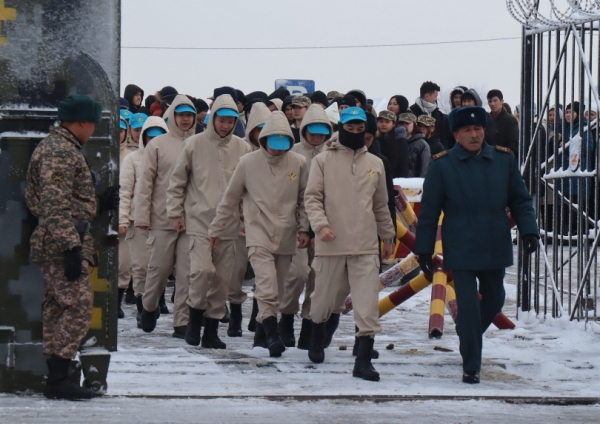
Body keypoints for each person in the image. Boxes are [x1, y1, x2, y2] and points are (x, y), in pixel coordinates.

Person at [414, 106, 539, 384]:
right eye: (467, 130)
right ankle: (471, 365)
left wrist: (530, 231)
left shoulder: (503, 160)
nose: (474, 135)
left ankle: (466, 336)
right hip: (461, 245)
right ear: (456, 135)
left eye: (478, 129)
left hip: (495, 241)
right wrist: (423, 248)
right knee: (469, 307)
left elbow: (520, 199)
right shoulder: (442, 164)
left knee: (495, 299)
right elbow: (430, 211)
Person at [25, 95, 119, 400]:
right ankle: (58, 379)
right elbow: (54, 205)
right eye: (92, 124)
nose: (92, 131)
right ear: (82, 122)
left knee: (57, 309)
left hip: (56, 240)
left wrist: (97, 203)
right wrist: (70, 248)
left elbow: (65, 201)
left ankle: (57, 380)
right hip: (61, 242)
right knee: (78, 309)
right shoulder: (61, 152)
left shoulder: (61, 148)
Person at [305, 107, 396, 382]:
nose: (355, 133)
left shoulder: (375, 163)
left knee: (367, 303)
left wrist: (388, 235)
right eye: (350, 128)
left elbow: (381, 204)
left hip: (366, 246)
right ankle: (317, 336)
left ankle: (364, 359)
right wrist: (321, 225)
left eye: (360, 129)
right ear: (341, 128)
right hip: (331, 244)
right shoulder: (323, 161)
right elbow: (312, 198)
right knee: (322, 301)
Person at [208, 111, 310, 357]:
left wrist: (305, 227)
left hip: (287, 235)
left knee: (282, 288)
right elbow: (230, 199)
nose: (277, 150)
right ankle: (272, 334)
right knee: (266, 285)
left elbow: (304, 199)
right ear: (263, 139)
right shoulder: (248, 163)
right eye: (273, 143)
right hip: (257, 233)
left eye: (282, 144)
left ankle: (263, 334)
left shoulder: (298, 163)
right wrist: (216, 228)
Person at [167, 93, 250, 349]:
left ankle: (212, 330)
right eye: (221, 120)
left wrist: (247, 218)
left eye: (230, 121)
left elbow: (249, 189)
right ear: (213, 118)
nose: (225, 125)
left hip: (229, 225)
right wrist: (175, 213)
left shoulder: (243, 148)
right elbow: (177, 181)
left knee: (222, 279)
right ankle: (193, 320)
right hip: (199, 221)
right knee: (201, 272)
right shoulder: (193, 144)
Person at [135, 95, 196, 338]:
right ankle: (149, 307)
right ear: (172, 116)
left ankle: (181, 321)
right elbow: (145, 183)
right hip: (161, 218)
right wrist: (142, 216)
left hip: (192, 220)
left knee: (186, 272)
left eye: (189, 115)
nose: (185, 119)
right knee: (158, 269)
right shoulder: (157, 145)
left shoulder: (199, 144)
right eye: (181, 115)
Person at [279, 105, 333, 349]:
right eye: (313, 131)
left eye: (322, 131)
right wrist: (302, 227)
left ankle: (309, 326)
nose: (317, 136)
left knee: (317, 279)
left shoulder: (333, 155)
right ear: (304, 129)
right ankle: (287, 317)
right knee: (297, 274)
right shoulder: (293, 153)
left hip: (324, 227)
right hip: (297, 225)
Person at [227, 101, 272, 338]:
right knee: (235, 273)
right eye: (259, 128)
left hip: (267, 226)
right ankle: (235, 316)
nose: (263, 133)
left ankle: (258, 316)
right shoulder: (239, 152)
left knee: (264, 275)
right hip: (240, 224)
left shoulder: (281, 154)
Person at [120, 116, 168, 328]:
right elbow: (125, 192)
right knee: (140, 266)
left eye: (159, 137)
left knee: (160, 267)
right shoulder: (132, 159)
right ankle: (142, 306)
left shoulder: (172, 159)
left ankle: (154, 302)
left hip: (164, 220)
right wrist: (122, 218)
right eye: (150, 136)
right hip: (137, 220)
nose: (153, 140)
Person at [117, 112, 147, 319]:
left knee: (128, 263)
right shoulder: (97, 151)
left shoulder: (132, 154)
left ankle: (126, 300)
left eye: (120, 130)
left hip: (132, 216)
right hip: (106, 211)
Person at [410, 81, 451, 148]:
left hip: (439, 154)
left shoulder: (439, 116)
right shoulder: (411, 113)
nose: (436, 99)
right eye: (435, 96)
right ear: (427, 96)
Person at [377, 109, 409, 178]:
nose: (383, 124)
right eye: (381, 121)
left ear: (393, 124)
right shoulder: (374, 138)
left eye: (387, 122)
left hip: (394, 178)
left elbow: (403, 164)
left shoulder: (400, 140)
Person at [487, 89, 519, 154]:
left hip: (504, 157)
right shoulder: (486, 119)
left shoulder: (510, 120)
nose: (492, 104)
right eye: (490, 101)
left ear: (502, 101)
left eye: (495, 100)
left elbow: (514, 145)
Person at [400, 112, 431, 178]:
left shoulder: (422, 144)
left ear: (414, 125)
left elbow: (424, 168)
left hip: (413, 183)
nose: (404, 126)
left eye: (407, 123)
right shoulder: (394, 141)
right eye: (401, 123)